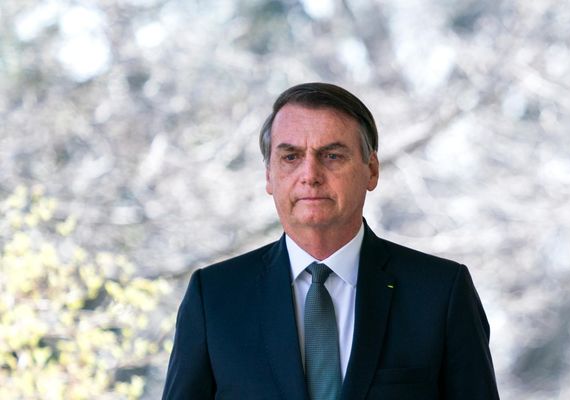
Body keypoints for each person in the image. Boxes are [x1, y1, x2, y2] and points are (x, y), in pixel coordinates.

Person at [163, 83, 500, 399]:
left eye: (332, 155)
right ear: (269, 175)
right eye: (291, 157)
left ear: (371, 170)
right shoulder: (215, 298)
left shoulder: (441, 293)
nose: (310, 175)